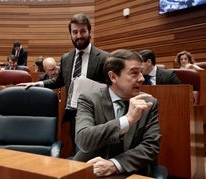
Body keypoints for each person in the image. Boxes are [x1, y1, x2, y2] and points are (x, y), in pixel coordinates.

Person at [18, 13, 109, 154]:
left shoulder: (104, 57)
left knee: (91, 155)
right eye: (75, 32)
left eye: (83, 31)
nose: (79, 35)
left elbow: (110, 87)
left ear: (89, 31)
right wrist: (39, 84)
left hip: (95, 115)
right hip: (73, 114)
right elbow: (59, 80)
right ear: (71, 34)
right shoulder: (66, 58)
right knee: (77, 152)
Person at [73, 49, 161, 177]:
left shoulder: (149, 103)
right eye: (134, 73)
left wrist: (114, 164)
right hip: (91, 169)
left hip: (129, 171)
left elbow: (151, 147)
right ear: (113, 76)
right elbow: (83, 139)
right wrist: (127, 120)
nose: (142, 78)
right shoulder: (89, 99)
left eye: (141, 72)